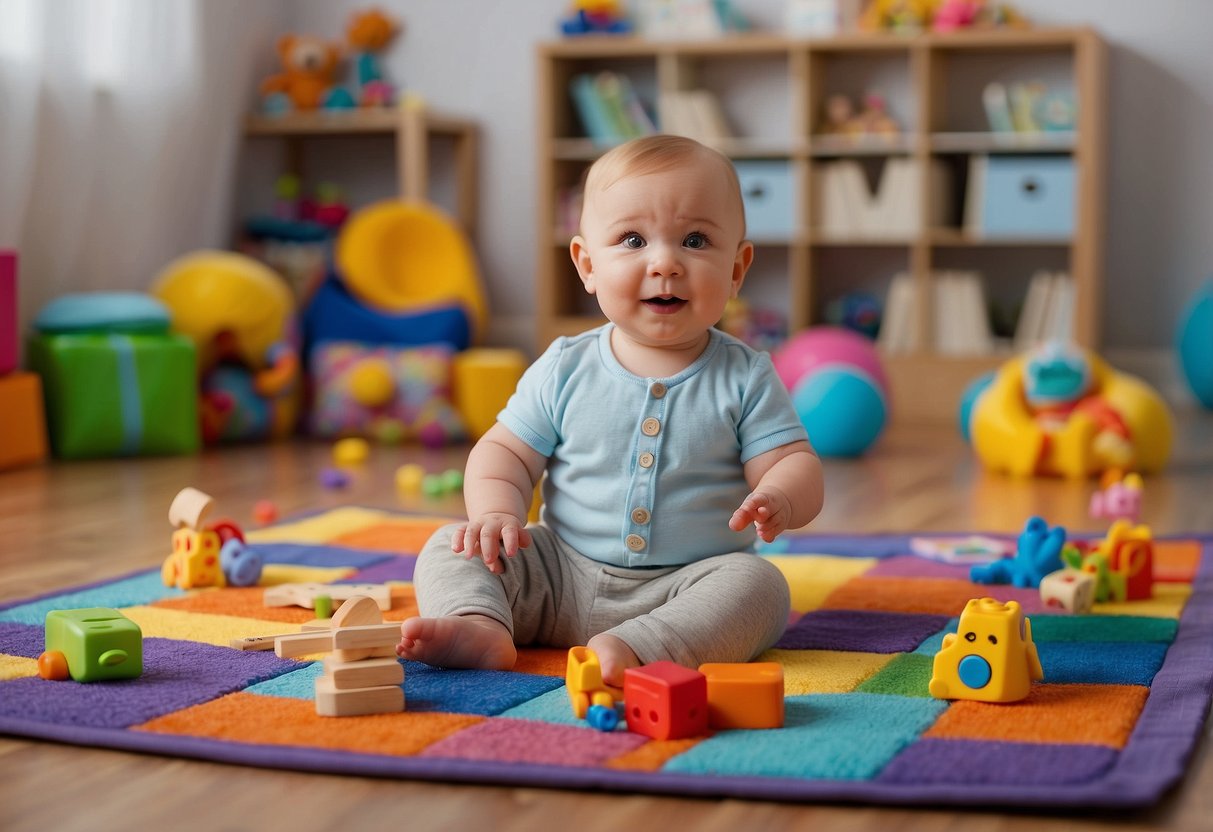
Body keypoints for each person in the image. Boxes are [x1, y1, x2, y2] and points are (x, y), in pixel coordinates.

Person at [397, 134, 824, 685]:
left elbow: (796, 463)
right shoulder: (565, 366)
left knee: (761, 588)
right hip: (555, 575)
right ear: (587, 264)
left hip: (688, 584)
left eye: (695, 239)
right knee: (449, 545)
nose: (665, 263)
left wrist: (780, 495)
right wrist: (496, 512)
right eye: (632, 239)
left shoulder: (745, 376)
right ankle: (479, 624)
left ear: (737, 268)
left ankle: (642, 645)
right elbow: (503, 451)